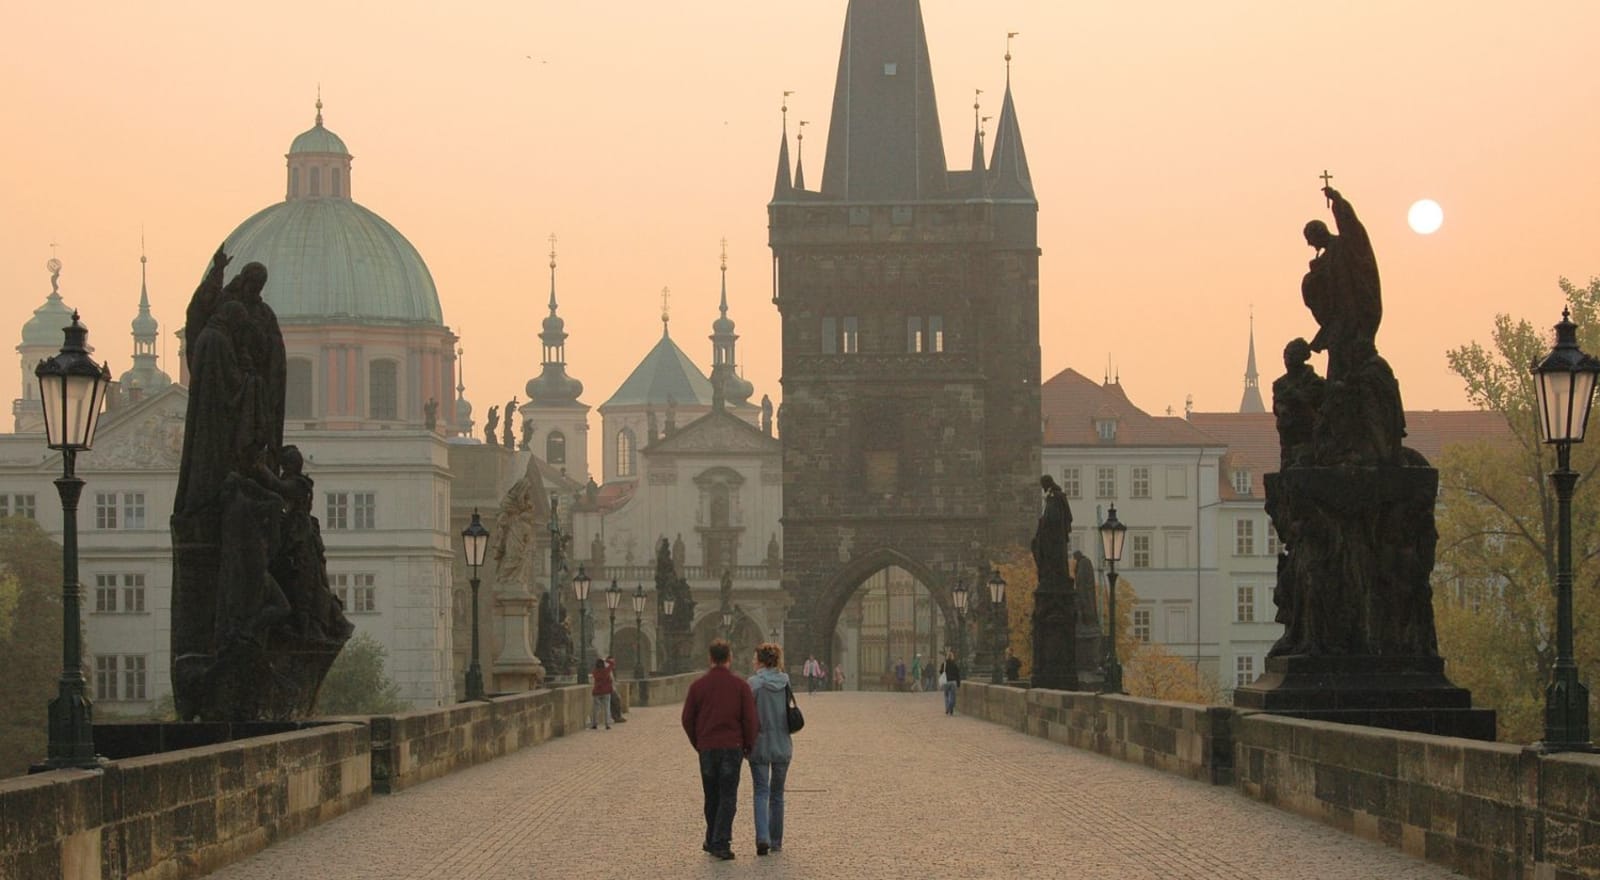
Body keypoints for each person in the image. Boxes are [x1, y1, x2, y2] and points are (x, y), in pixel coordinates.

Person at [682, 639, 757, 860]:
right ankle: (721, 842)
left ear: (710, 658)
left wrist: (699, 742)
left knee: (711, 795)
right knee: (728, 796)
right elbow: (750, 720)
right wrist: (748, 745)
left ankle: (711, 837)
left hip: (707, 748)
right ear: (729, 658)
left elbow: (687, 719)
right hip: (732, 747)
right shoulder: (740, 685)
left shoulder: (698, 686)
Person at [747, 642, 793, 856]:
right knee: (777, 794)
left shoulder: (754, 684)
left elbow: (747, 717)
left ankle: (762, 837)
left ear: (762, 661)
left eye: (755, 658)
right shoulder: (785, 682)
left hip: (760, 744)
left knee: (761, 792)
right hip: (782, 744)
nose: (752, 662)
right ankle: (776, 841)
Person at [589, 657, 613, 730]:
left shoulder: (595, 672)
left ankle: (594, 724)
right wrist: (606, 660)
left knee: (595, 709)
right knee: (606, 708)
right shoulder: (606, 671)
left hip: (597, 691)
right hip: (606, 691)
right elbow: (612, 663)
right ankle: (607, 724)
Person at [939, 649, 962, 716]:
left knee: (946, 696)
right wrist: (958, 683)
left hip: (946, 682)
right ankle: (950, 708)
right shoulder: (954, 664)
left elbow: (940, 672)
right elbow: (958, 674)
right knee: (953, 697)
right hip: (953, 682)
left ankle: (947, 708)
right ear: (952, 657)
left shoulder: (944, 664)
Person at [607, 655, 627, 723]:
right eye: (612, 662)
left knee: (614, 702)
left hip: (611, 688)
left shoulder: (611, 670)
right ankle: (617, 717)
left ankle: (616, 717)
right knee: (616, 700)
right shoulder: (608, 670)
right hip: (609, 689)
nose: (613, 664)